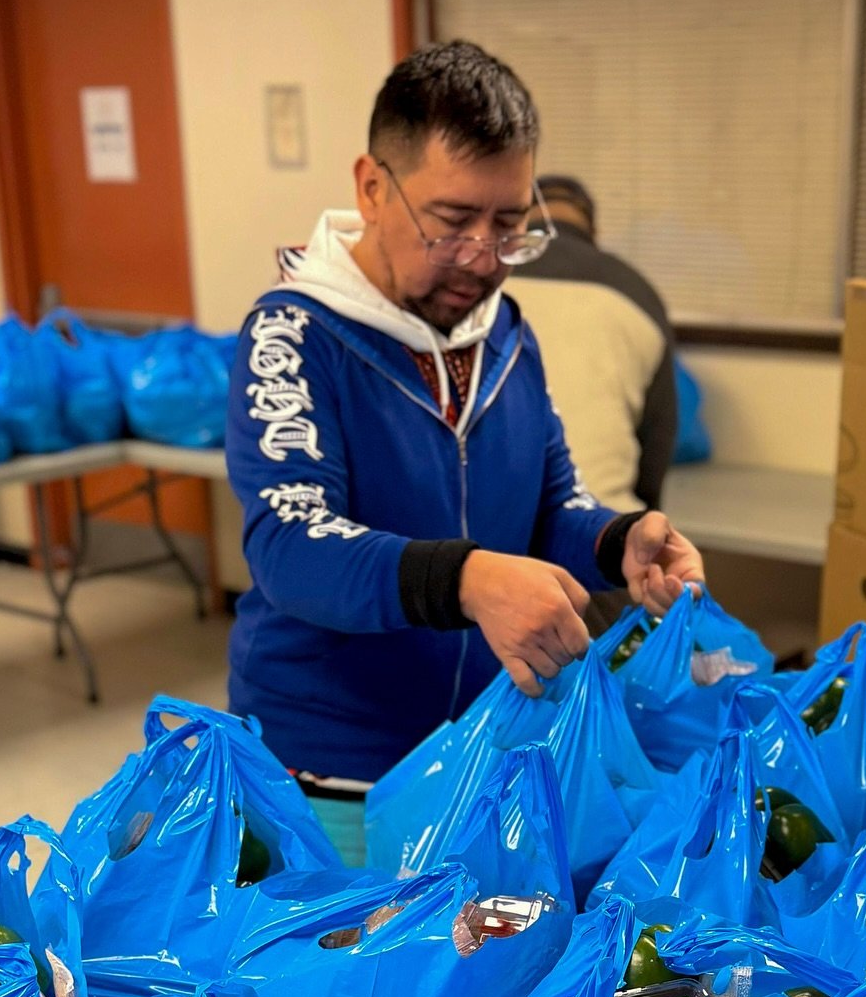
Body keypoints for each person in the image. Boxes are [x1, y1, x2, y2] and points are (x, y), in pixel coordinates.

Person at [224, 41, 706, 844]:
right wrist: (470, 579)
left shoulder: (505, 335)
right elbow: (290, 543)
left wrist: (620, 540)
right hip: (332, 779)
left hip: (484, 758)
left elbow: (552, 505)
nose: (482, 258)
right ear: (373, 187)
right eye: (451, 222)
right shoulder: (293, 334)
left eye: (508, 225)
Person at [508, 173, 677, 513]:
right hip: (605, 530)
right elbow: (656, 447)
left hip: (491, 540)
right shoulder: (636, 291)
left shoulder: (484, 276)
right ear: (593, 231)